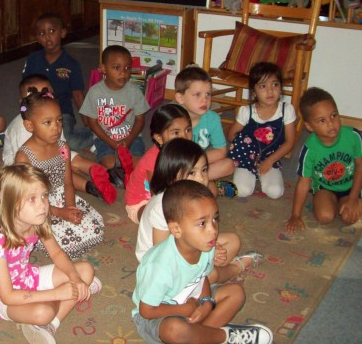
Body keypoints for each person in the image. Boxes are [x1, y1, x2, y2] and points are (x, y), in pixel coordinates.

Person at [0, 164, 101, 344]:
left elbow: (57, 254)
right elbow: (7, 295)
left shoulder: (37, 218)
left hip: (25, 276)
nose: (42, 205)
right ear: (11, 203)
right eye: (32, 199)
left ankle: (52, 325)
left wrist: (74, 278)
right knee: (43, 313)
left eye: (44, 196)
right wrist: (58, 293)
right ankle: (62, 307)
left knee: (85, 270)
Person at [132, 180, 274, 344]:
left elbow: (203, 278)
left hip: (193, 299)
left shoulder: (206, 246)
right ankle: (226, 335)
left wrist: (206, 302)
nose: (213, 230)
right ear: (176, 230)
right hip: (158, 314)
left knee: (236, 293)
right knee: (175, 329)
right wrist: (185, 309)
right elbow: (146, 311)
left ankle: (196, 340)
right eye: (202, 223)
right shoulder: (160, 265)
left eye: (215, 219)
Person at [135, 138, 262, 283]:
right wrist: (205, 253)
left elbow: (199, 230)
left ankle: (202, 277)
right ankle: (235, 268)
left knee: (233, 241)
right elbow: (163, 254)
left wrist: (210, 246)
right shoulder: (161, 208)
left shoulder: (195, 197)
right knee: (211, 276)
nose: (201, 179)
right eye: (192, 173)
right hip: (159, 265)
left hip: (187, 245)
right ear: (170, 176)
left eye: (204, 170)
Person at [15, 90, 104, 259]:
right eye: (47, 122)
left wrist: (70, 207)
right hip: (37, 204)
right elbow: (26, 198)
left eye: (59, 120)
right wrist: (60, 212)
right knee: (56, 238)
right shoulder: (24, 156)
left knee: (92, 226)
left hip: (63, 197)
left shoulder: (63, 148)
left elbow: (68, 182)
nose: (56, 127)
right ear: (30, 126)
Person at [3, 74, 116, 204]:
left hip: (52, 150)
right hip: (28, 163)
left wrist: (64, 161)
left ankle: (111, 175)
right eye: (35, 95)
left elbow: (61, 144)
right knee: (52, 174)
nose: (42, 100)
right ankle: (91, 187)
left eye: (46, 93)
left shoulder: (54, 122)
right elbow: (23, 162)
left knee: (72, 160)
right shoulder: (20, 128)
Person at [285, 88, 362, 233]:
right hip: (325, 189)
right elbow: (303, 183)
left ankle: (346, 203)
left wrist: (352, 198)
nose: (330, 123)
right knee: (324, 217)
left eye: (334, 115)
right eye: (322, 120)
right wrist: (295, 215)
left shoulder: (353, 136)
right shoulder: (309, 149)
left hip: (352, 186)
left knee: (348, 216)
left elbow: (360, 167)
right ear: (309, 126)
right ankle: (335, 203)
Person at [79, 45, 150, 188]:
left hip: (132, 138)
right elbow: (93, 124)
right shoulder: (95, 92)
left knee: (138, 164)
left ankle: (129, 176)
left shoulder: (134, 91)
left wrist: (128, 140)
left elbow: (140, 120)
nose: (123, 73)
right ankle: (122, 174)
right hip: (105, 139)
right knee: (110, 163)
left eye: (127, 68)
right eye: (116, 68)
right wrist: (112, 143)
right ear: (103, 69)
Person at [22, 13, 93, 151]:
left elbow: (78, 96)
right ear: (38, 38)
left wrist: (89, 124)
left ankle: (96, 134)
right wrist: (24, 111)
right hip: (36, 111)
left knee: (68, 143)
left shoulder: (72, 64)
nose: (47, 36)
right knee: (25, 136)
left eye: (52, 31)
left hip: (61, 114)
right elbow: (25, 89)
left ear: (63, 33)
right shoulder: (33, 59)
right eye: (42, 33)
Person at [227, 62, 297, 199]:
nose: (270, 91)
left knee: (275, 192)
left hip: (271, 156)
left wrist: (270, 161)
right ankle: (247, 174)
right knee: (242, 190)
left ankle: (262, 174)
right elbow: (231, 136)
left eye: (275, 85)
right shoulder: (247, 112)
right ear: (254, 91)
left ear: (281, 88)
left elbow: (290, 142)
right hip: (248, 157)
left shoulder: (286, 110)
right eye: (263, 86)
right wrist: (245, 150)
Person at [174, 66, 237, 197]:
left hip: (201, 163)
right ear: (180, 98)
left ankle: (195, 182)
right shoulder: (174, 119)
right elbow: (167, 152)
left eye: (208, 94)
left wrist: (198, 162)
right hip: (180, 164)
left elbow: (221, 150)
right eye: (197, 95)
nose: (205, 100)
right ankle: (204, 183)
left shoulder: (213, 118)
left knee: (229, 165)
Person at [125, 104, 192, 223]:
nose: (184, 137)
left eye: (188, 130)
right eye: (176, 133)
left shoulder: (185, 149)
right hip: (143, 202)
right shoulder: (153, 161)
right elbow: (157, 195)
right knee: (155, 216)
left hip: (173, 189)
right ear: (159, 138)